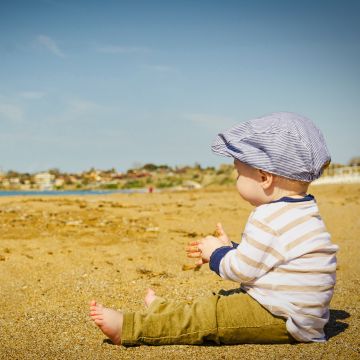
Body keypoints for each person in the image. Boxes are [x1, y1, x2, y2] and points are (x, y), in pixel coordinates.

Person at [89, 112, 338, 346]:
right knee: (219, 301)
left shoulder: (267, 217)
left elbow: (242, 270)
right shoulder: (303, 210)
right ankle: (164, 310)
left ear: (264, 177)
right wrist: (232, 249)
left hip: (283, 317)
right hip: (300, 313)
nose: (236, 178)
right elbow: (271, 259)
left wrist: (216, 254)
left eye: (239, 173)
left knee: (210, 316)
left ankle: (131, 328)